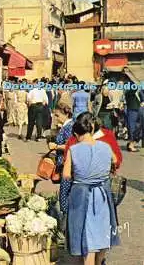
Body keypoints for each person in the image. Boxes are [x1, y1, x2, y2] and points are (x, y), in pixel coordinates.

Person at [62, 112, 120, 265]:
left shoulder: (74, 150)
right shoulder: (106, 147)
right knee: (102, 234)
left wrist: (81, 173)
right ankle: (100, 262)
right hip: (102, 195)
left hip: (82, 197)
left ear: (76, 133)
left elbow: (66, 174)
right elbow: (115, 160)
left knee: (88, 241)